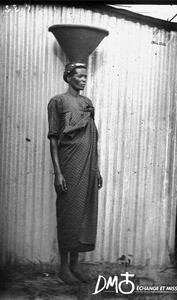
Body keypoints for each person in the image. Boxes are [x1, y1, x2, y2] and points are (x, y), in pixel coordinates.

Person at [47, 62, 103, 284]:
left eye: (85, 76)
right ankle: (63, 269)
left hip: (88, 166)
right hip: (68, 165)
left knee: (82, 214)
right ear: (68, 77)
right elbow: (53, 138)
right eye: (79, 76)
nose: (83, 79)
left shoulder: (87, 103)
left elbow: (92, 138)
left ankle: (74, 266)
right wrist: (58, 173)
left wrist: (96, 168)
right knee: (68, 214)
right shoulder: (57, 102)